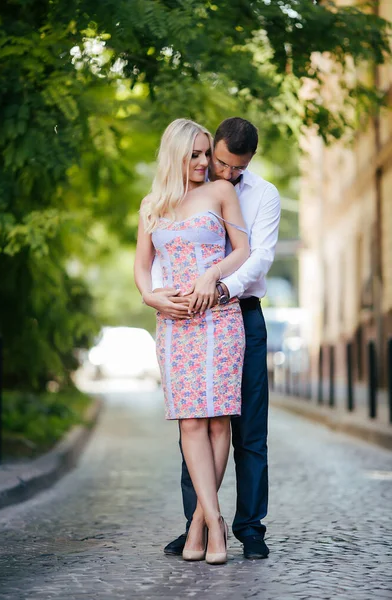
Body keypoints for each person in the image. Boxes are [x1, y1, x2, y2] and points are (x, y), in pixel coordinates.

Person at [147, 117, 281, 560]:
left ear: (248, 161)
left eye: (232, 166)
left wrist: (218, 287)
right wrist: (159, 296)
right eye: (214, 159)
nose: (221, 169)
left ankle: (249, 526)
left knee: (246, 428)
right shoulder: (180, 192)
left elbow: (257, 256)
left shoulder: (262, 195)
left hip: (238, 309)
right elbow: (155, 257)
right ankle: (199, 522)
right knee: (195, 420)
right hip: (188, 315)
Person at [134, 118, 250, 564]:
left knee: (219, 420)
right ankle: (211, 519)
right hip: (175, 322)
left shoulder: (222, 193)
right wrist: (150, 297)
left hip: (219, 318)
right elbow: (142, 267)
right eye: (195, 155)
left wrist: (210, 273)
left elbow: (242, 249)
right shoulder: (151, 206)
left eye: (207, 153)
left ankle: (205, 525)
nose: (204, 163)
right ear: (175, 156)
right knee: (190, 423)